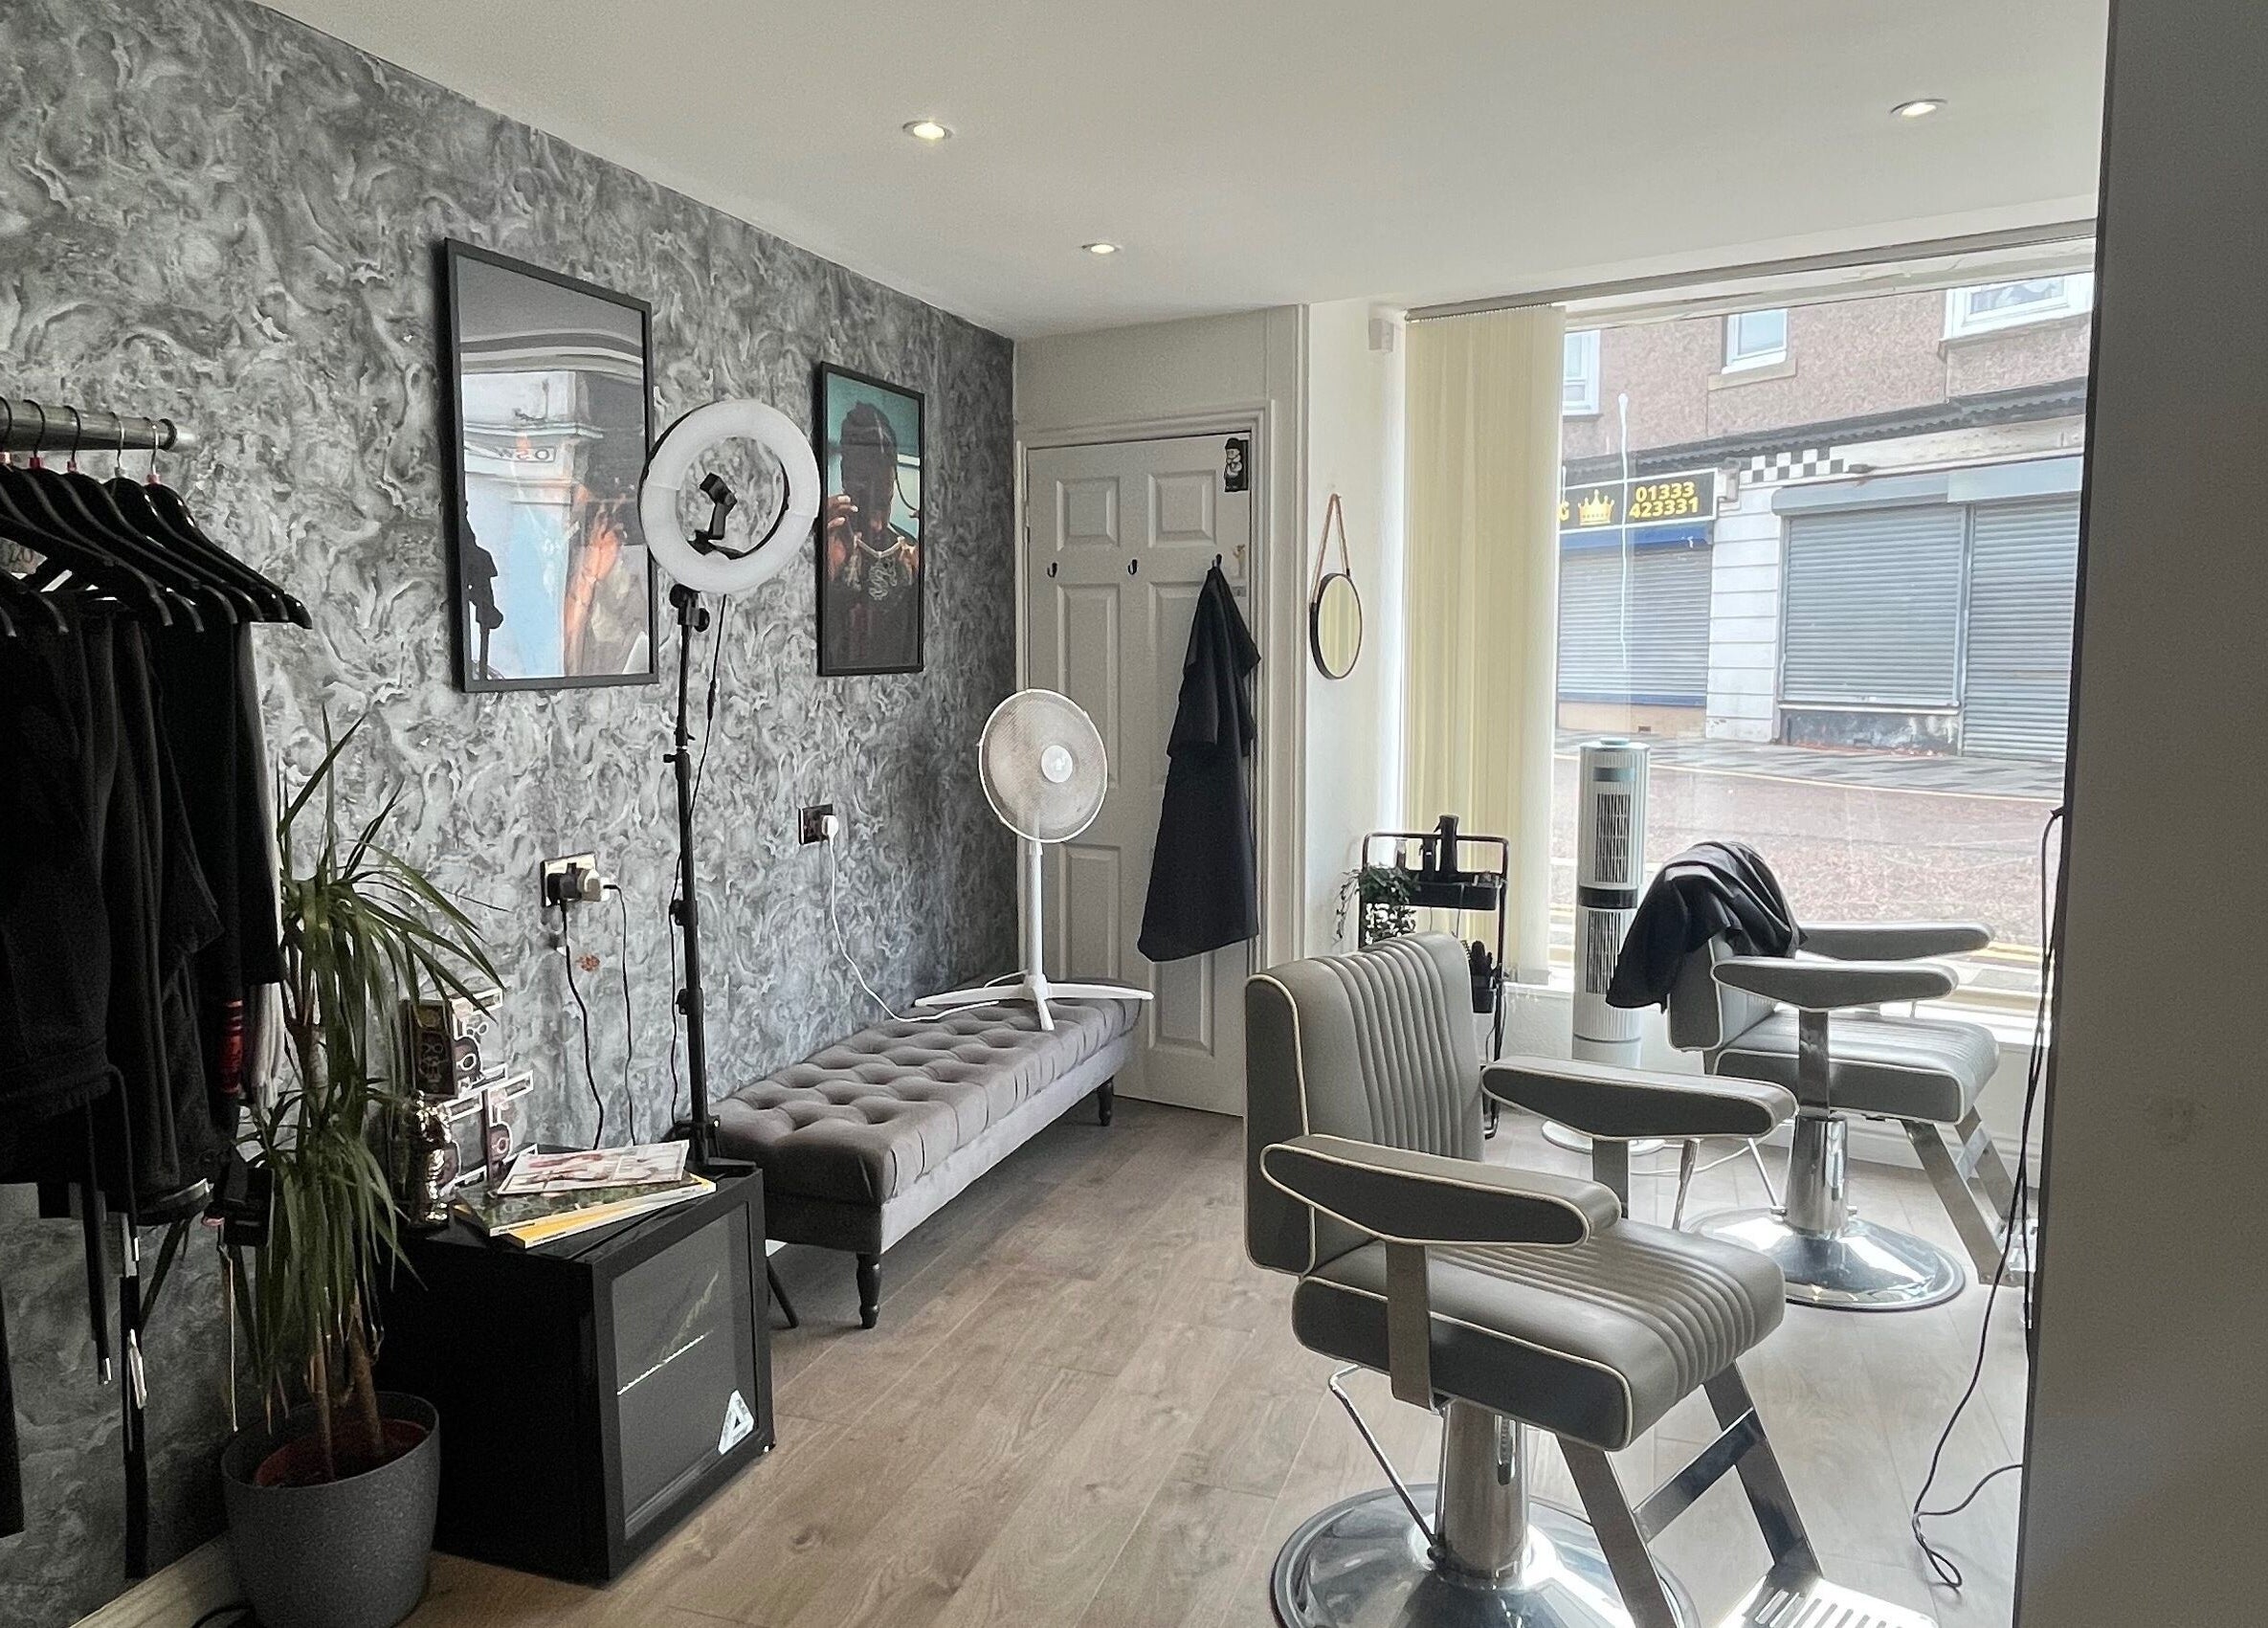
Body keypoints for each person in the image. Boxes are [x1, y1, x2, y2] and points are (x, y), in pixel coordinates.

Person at [822, 402, 920, 669]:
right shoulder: (828, 543)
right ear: (844, 476)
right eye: (864, 501)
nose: (876, 524)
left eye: (883, 502)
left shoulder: (908, 550)